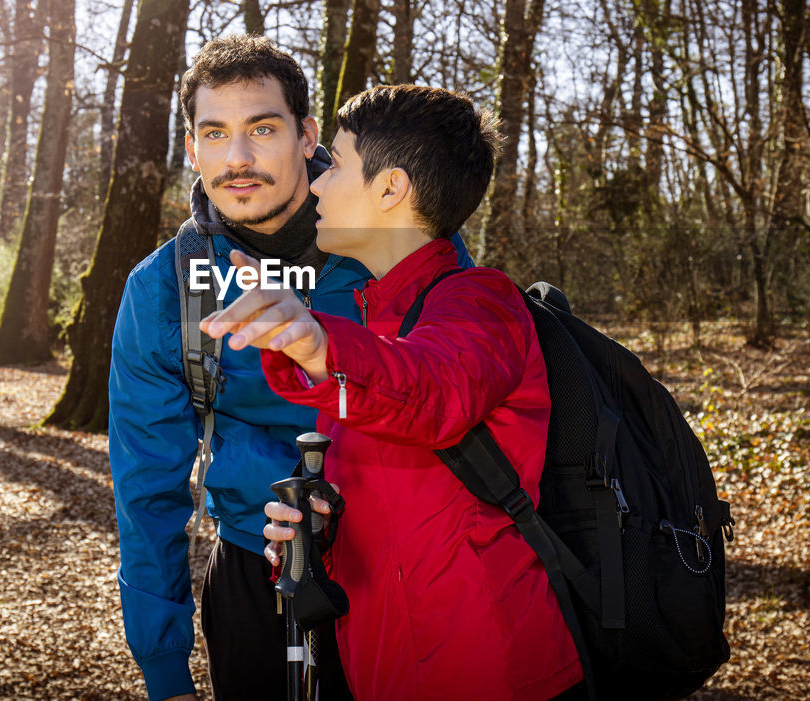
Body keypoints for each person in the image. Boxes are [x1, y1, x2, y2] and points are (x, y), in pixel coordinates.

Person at [108, 36, 470, 701]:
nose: (237, 158)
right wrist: (164, 669)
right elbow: (146, 487)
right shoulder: (165, 287)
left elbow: (463, 389)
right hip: (251, 568)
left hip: (412, 563)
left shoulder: (402, 239)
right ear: (191, 148)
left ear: (307, 135)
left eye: (262, 129)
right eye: (214, 133)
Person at [201, 85, 585, 701]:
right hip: (385, 670)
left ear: (390, 188)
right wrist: (310, 537)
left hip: (489, 672)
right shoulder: (375, 321)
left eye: (340, 164)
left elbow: (435, 391)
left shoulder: (482, 303)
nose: (319, 184)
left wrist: (321, 344)